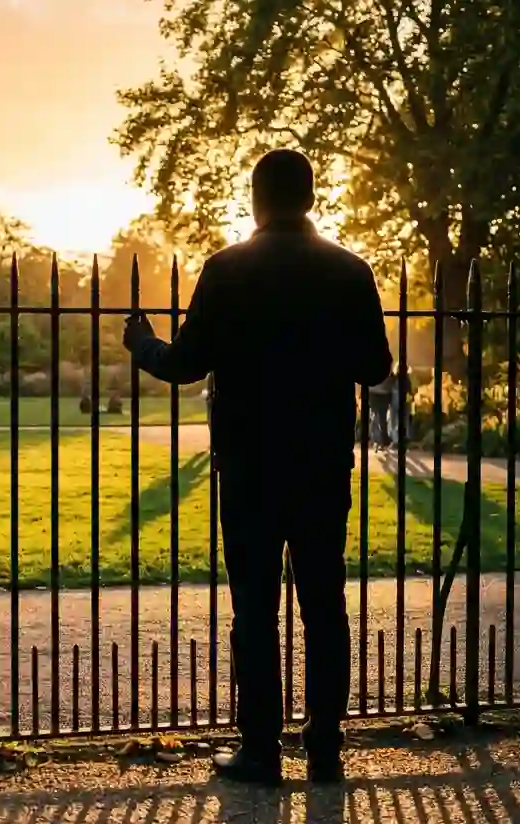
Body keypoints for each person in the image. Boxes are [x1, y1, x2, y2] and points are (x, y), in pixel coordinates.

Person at [122, 148, 392, 786]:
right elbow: (376, 367)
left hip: (249, 460)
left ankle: (260, 748)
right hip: (323, 459)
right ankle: (325, 746)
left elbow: (187, 362)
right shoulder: (350, 271)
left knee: (254, 610)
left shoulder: (228, 269)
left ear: (255, 198)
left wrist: (142, 344)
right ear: (312, 196)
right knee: (324, 603)